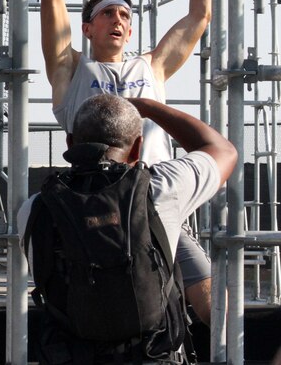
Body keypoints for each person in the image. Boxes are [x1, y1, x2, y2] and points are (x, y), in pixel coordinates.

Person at [29, 0, 216, 324]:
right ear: (88, 27)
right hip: (96, 203)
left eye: (125, 16)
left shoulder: (152, 66)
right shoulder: (70, 70)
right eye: (108, 13)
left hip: (155, 200)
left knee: (212, 305)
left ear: (130, 32)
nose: (118, 19)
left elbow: (198, 17)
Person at [19, 94, 237, 364]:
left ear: (70, 143)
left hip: (70, 356)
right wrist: (147, 107)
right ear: (137, 149)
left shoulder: (35, 208)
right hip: (152, 356)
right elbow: (222, 149)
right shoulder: (161, 189)